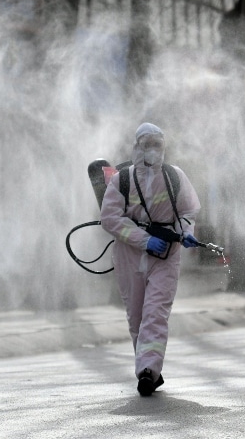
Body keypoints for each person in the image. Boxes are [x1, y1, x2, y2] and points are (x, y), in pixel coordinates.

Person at [100, 122, 201, 396]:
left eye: (158, 144)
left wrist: (186, 232)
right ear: (137, 147)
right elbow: (109, 218)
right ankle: (148, 365)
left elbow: (188, 211)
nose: (154, 150)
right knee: (136, 318)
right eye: (148, 144)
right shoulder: (122, 180)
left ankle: (147, 371)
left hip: (166, 254)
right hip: (129, 255)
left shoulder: (175, 177)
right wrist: (143, 239)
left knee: (155, 313)